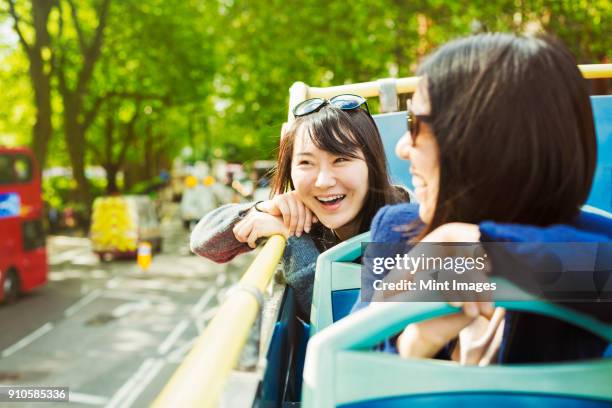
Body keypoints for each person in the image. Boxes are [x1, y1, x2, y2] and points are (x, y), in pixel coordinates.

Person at [359, 33, 611, 364]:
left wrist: (484, 244)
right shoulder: (396, 231)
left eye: (415, 123)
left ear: (487, 143)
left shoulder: (585, 247)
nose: (401, 147)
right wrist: (416, 341)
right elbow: (343, 365)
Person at [190, 94, 408, 320]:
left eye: (341, 159)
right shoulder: (303, 215)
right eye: (306, 162)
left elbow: (345, 324)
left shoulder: (413, 223)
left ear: (372, 163)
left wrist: (292, 239)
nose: (323, 181)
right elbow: (203, 243)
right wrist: (265, 208)